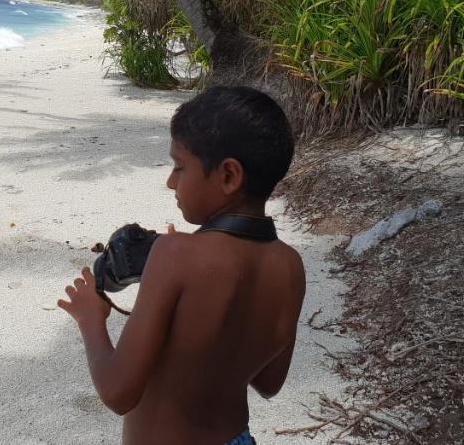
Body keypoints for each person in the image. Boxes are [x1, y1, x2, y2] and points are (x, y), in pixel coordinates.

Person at [57, 86, 305, 445]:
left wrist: (90, 319)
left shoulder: (175, 255)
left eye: (179, 166)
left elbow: (118, 392)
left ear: (229, 176)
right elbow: (269, 382)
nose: (171, 181)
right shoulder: (290, 265)